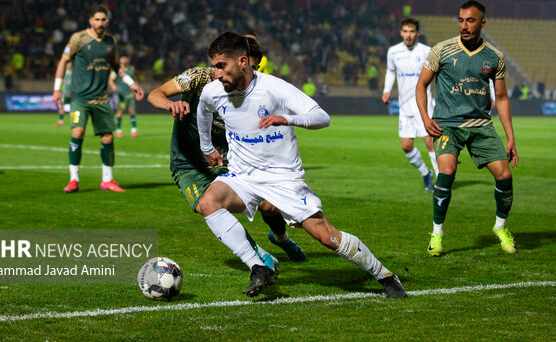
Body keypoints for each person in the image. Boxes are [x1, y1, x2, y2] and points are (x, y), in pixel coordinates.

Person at [197, 32, 406, 298]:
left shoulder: (274, 88)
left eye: (220, 66)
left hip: (282, 177)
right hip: (243, 174)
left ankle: (385, 276)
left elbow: (321, 116)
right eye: (214, 67)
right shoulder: (213, 91)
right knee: (208, 203)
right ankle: (258, 266)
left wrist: (286, 119)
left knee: (326, 236)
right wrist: (207, 148)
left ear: (242, 61)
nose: (216, 74)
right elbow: (203, 111)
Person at [147, 37, 306, 269]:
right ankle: (259, 257)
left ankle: (281, 238)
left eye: (253, 68)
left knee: (270, 206)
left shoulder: (257, 89)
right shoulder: (200, 78)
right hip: (190, 163)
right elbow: (155, 93)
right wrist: (169, 105)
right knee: (208, 205)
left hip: (229, 161)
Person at [416, 0, 519, 257]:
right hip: (447, 125)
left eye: (470, 21)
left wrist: (510, 137)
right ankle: (437, 234)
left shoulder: (494, 57)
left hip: (481, 124)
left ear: (482, 23)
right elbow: (421, 85)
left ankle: (500, 227)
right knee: (447, 171)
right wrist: (425, 118)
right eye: (461, 20)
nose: (464, 25)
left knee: (504, 175)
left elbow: (502, 98)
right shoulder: (442, 50)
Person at [52, 4, 144, 193]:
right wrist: (57, 89)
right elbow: (63, 61)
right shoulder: (78, 39)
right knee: (77, 133)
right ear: (90, 21)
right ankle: (74, 180)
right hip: (80, 98)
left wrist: (131, 82)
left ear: (107, 21)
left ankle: (107, 180)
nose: (100, 23)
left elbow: (116, 65)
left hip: (102, 99)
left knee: (108, 137)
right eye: (97, 19)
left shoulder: (111, 41)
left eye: (103, 20)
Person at [382, 18, 438, 192]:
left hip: (423, 105)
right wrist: (386, 90)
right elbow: (391, 72)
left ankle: (441, 182)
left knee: (430, 142)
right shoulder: (393, 52)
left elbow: (436, 75)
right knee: (406, 146)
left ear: (417, 33)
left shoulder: (427, 51)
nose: (408, 35)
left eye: (412, 31)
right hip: (405, 106)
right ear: (400, 33)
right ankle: (425, 172)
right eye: (405, 31)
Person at [109, 55, 142, 137]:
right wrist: (113, 86)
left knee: (132, 111)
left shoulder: (131, 69)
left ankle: (134, 130)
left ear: (128, 59)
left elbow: (134, 80)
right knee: (120, 112)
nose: (124, 60)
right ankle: (119, 130)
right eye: (123, 58)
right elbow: (111, 80)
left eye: (126, 58)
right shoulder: (117, 69)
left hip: (129, 93)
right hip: (121, 94)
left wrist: (137, 90)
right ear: (120, 59)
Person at [56, 61, 73, 126]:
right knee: (61, 107)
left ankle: (74, 122)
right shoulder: (64, 73)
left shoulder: (74, 73)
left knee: (74, 108)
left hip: (72, 94)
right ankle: (60, 122)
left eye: (70, 63)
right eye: (68, 64)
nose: (69, 65)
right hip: (65, 93)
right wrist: (60, 91)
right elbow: (62, 83)